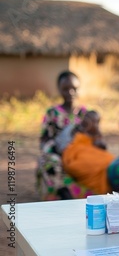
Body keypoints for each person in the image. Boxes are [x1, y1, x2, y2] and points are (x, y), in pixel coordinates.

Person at [36, 70, 93, 200]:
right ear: (59, 89)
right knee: (50, 163)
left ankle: (82, 196)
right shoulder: (52, 113)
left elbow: (92, 137)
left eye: (74, 88)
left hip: (79, 154)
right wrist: (59, 153)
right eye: (66, 89)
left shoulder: (85, 113)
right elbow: (45, 140)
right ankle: (63, 194)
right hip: (57, 154)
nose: (70, 92)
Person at [62, 110, 114, 194]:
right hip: (78, 155)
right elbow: (70, 147)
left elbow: (102, 147)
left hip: (95, 156)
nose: (95, 125)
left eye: (97, 122)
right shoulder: (75, 130)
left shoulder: (96, 134)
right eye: (93, 121)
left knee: (109, 160)